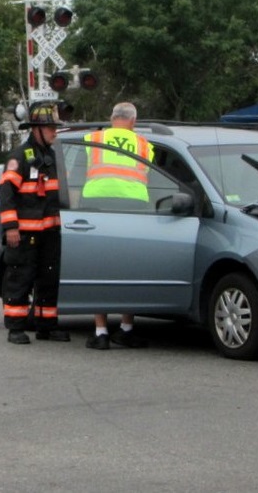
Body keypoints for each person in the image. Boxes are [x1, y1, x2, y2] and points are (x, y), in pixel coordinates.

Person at [81, 102, 153, 350]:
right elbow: (150, 175)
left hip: (97, 202)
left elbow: (78, 171)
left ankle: (100, 331)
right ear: (133, 121)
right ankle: (126, 328)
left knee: (99, 267)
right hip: (134, 205)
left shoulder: (93, 139)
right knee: (130, 267)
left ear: (112, 118)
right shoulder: (144, 144)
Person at [0, 101, 70, 345]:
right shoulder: (19, 157)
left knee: (49, 279)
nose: (54, 132)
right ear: (36, 129)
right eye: (51, 128)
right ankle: (15, 328)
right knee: (20, 279)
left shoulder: (51, 156)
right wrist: (11, 227)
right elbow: (6, 194)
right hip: (24, 233)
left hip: (49, 232)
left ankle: (46, 326)